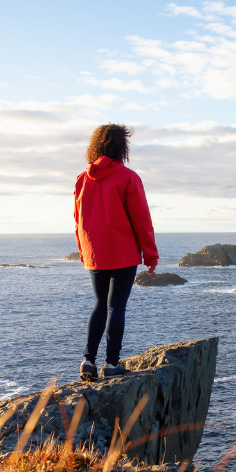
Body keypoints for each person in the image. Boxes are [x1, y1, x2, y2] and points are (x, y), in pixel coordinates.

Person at [74, 123, 158, 381]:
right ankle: (111, 364)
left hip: (95, 254)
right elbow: (141, 218)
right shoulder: (128, 178)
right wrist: (150, 255)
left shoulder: (82, 178)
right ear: (123, 146)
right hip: (122, 252)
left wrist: (83, 252)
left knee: (100, 304)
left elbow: (78, 221)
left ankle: (88, 361)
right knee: (116, 306)